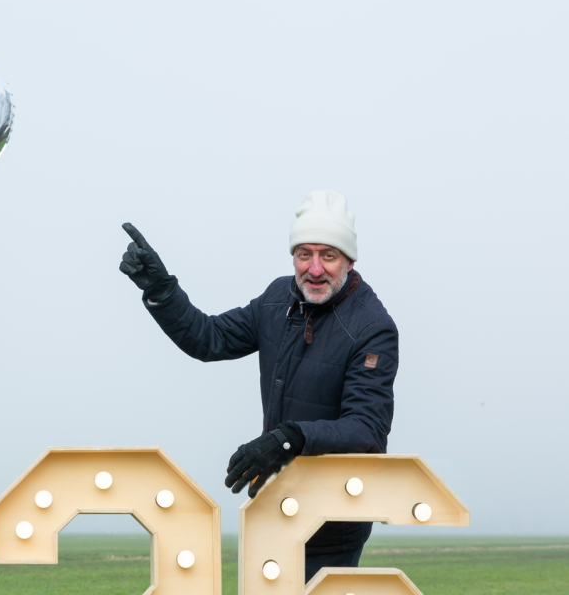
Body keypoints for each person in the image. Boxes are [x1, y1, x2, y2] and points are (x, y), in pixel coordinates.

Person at [119, 190, 396, 582]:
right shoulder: (275, 301)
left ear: (349, 260)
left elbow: (366, 428)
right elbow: (208, 338)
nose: (314, 269)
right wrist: (162, 291)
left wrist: (287, 439)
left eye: (328, 255)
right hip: (275, 506)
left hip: (334, 520)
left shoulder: (373, 328)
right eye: (304, 254)